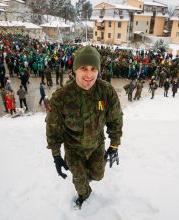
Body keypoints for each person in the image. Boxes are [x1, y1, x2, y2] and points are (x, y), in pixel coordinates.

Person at [46, 45, 123, 208]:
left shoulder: (106, 91)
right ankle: (84, 194)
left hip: (97, 145)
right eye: (83, 68)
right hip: (74, 149)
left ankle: (88, 173)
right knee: (80, 181)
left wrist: (114, 145)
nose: (89, 75)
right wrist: (56, 155)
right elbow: (53, 128)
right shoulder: (61, 96)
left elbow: (115, 119)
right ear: (75, 70)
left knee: (98, 175)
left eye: (93, 69)